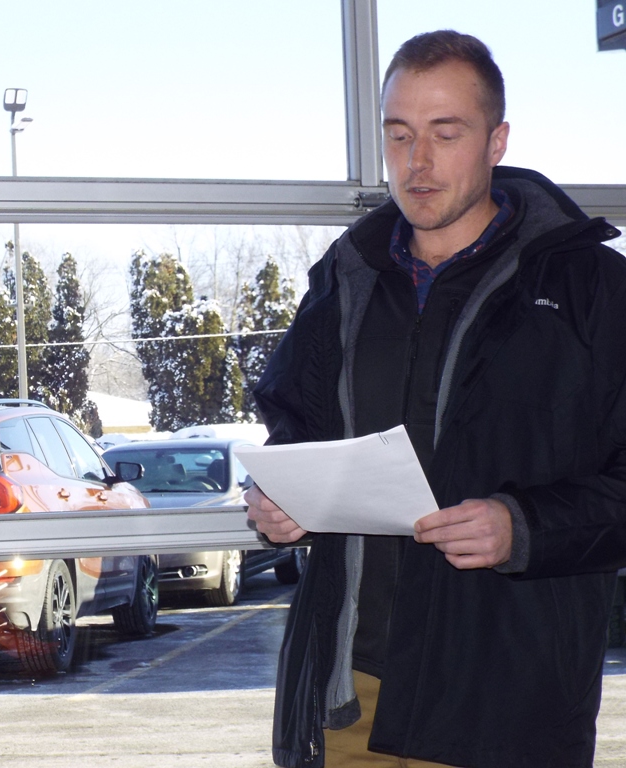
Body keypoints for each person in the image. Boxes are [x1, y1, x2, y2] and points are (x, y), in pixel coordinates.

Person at [245, 30, 626, 768]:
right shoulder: (345, 282)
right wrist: (280, 500)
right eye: (399, 135)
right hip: (351, 694)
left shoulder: (592, 291)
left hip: (506, 703)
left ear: (496, 142)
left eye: (445, 134)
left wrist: (524, 527)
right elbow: (295, 432)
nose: (417, 162)